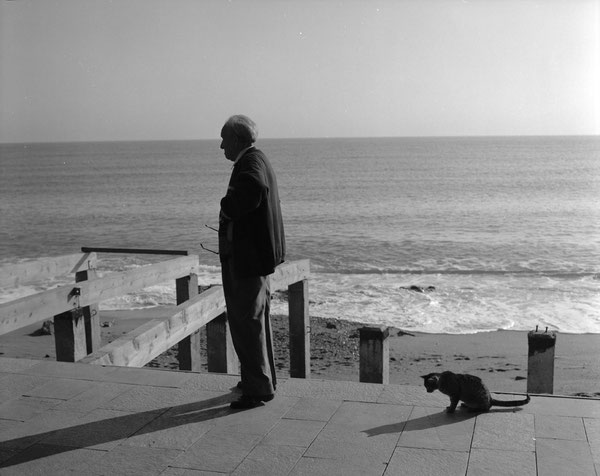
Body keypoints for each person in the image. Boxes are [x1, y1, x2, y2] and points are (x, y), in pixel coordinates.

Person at [218, 115, 286, 409]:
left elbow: (253, 189)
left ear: (236, 140)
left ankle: (257, 389)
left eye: (224, 139)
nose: (221, 146)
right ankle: (259, 380)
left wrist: (228, 206)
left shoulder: (250, 164)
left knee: (247, 322)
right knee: (254, 321)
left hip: (247, 259)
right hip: (255, 257)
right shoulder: (258, 159)